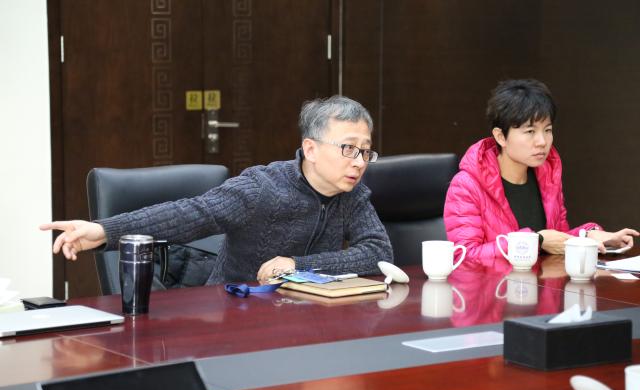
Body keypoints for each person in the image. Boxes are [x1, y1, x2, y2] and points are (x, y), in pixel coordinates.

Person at [41, 95, 393, 283]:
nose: (359, 162)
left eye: (365, 151)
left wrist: (296, 265)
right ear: (311, 149)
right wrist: (105, 230)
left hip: (309, 319)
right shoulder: (261, 188)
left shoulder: (352, 194)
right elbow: (190, 214)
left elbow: (378, 253)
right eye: (348, 148)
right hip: (236, 315)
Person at [444, 79, 637, 261]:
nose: (542, 142)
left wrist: (587, 236)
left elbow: (555, 240)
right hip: (496, 285)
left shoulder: (547, 176)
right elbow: (464, 257)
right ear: (501, 137)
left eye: (548, 130)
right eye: (530, 131)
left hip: (542, 283)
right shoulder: (467, 185)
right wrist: (535, 241)